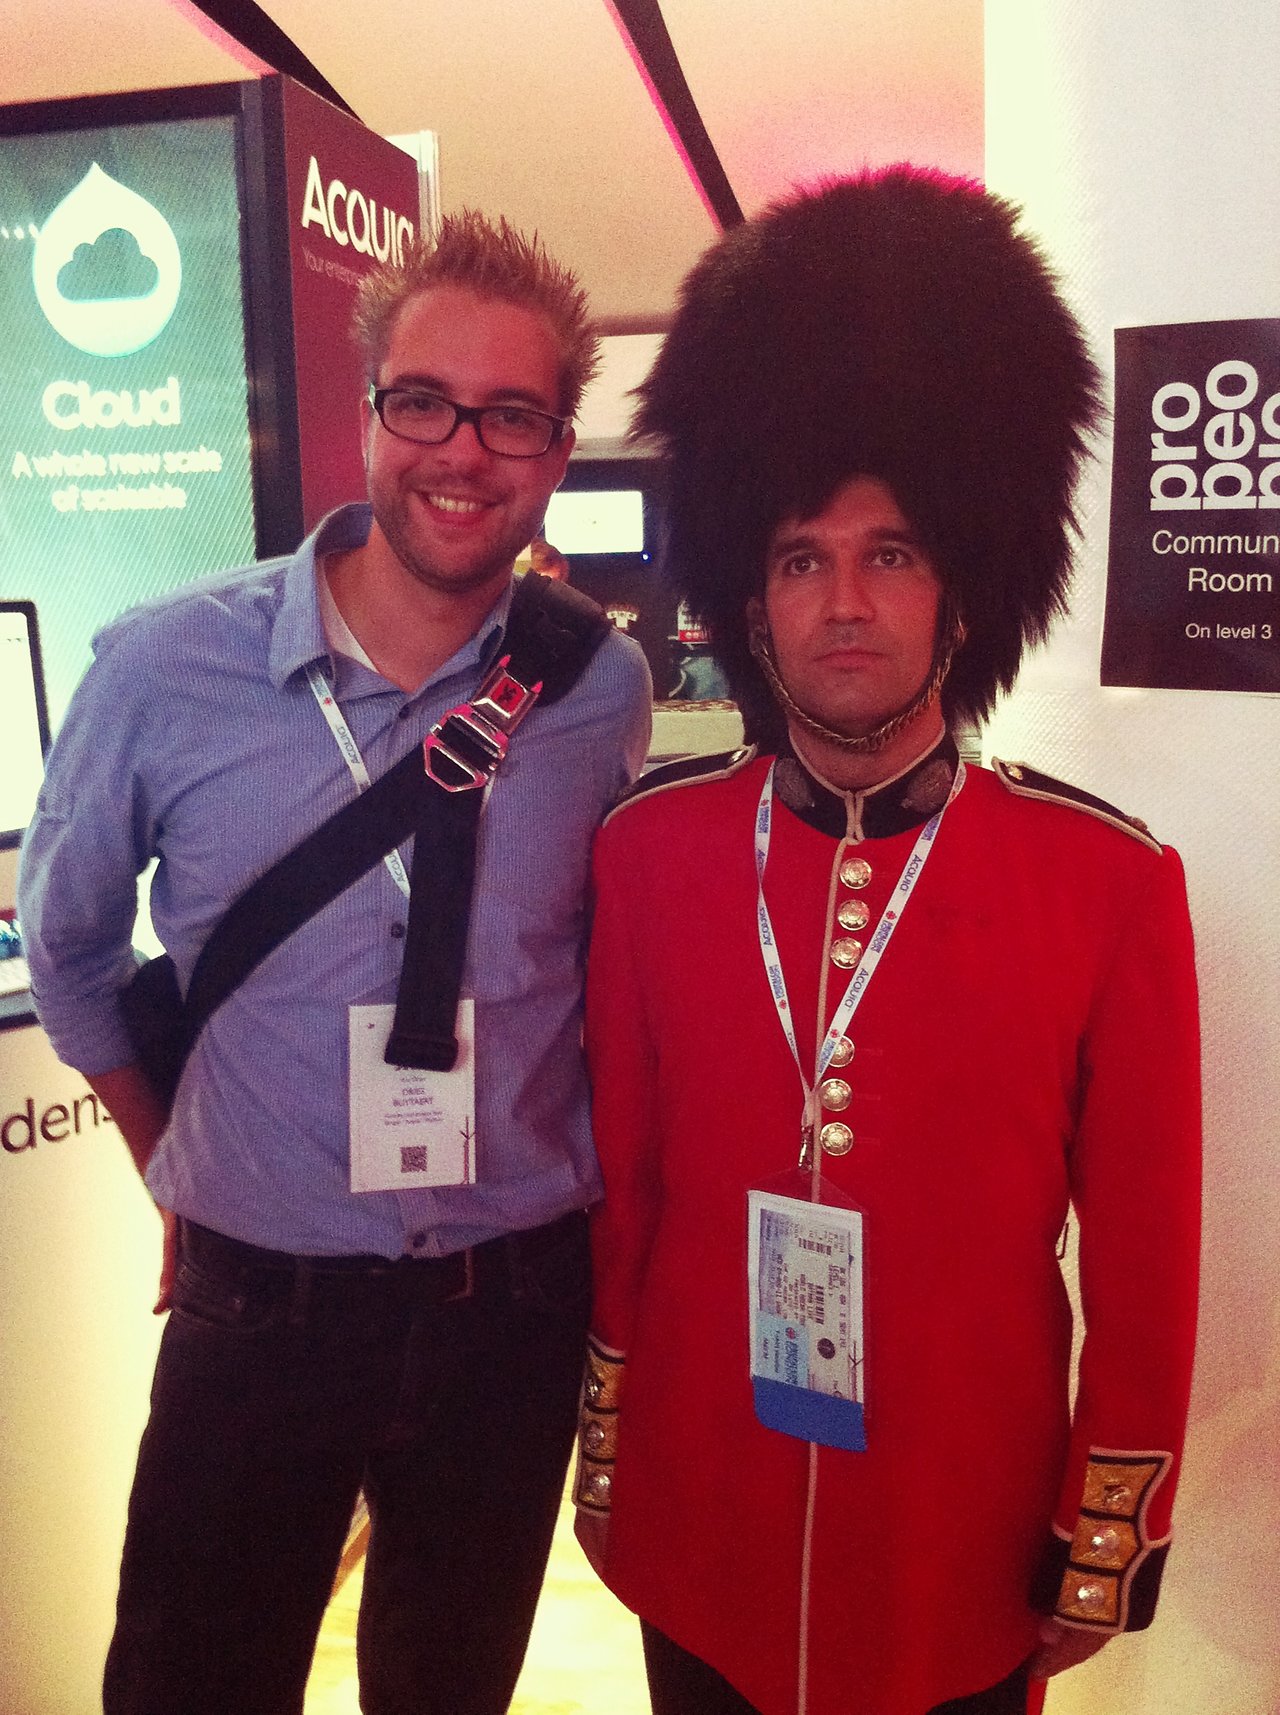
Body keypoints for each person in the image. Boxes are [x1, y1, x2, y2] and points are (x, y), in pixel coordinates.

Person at [573, 169, 1200, 1715]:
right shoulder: (650, 854)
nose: (844, 602)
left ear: (962, 594)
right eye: (801, 558)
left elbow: (1144, 1256)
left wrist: (1106, 1522)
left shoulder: (1105, 881)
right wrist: (611, 1441)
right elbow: (628, 1192)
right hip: (704, 1511)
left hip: (955, 1542)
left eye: (892, 554)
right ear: (751, 601)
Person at [19, 210, 651, 1715]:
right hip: (260, 1304)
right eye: (425, 402)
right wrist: (172, 1161)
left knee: (450, 1689)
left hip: (513, 1302)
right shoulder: (165, 667)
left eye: (511, 416)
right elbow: (69, 945)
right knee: (189, 1686)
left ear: (557, 452)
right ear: (366, 414)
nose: (463, 452)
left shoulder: (597, 686)